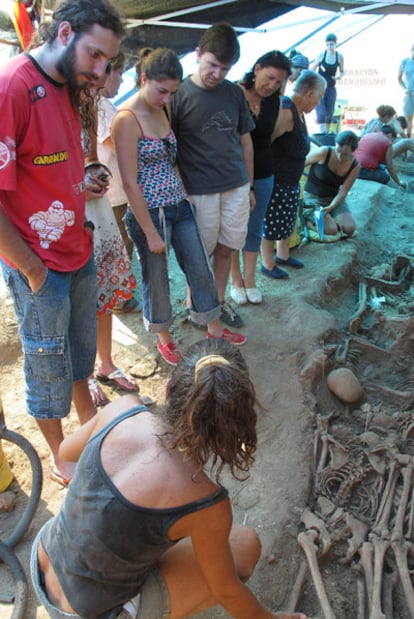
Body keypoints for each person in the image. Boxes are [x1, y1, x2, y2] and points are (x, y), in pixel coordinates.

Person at [30, 338, 306, 619]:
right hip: (85, 613)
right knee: (245, 546)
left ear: (168, 388)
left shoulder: (122, 408)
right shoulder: (206, 501)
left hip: (43, 557)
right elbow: (226, 590)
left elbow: (66, 452)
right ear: (232, 418)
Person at [0, 0, 124, 486]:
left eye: (107, 63)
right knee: (47, 363)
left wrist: (85, 178)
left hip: (77, 247)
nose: (100, 71)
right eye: (94, 56)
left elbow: (52, 164)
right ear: (65, 32)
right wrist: (31, 267)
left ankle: (87, 430)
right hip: (39, 262)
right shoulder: (13, 86)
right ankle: (59, 454)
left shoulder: (72, 90)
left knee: (78, 354)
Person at [112, 48, 246, 367]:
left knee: (199, 267)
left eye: (172, 92)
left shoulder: (163, 109)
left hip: (178, 204)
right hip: (151, 213)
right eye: (161, 90)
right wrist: (148, 232)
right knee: (156, 278)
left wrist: (184, 192)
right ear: (143, 79)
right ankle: (164, 339)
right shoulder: (126, 119)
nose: (167, 98)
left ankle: (213, 328)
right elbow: (129, 182)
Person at [171, 23, 256, 329]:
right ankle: (197, 306)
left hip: (235, 186)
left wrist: (248, 185)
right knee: (198, 255)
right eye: (212, 65)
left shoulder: (233, 92)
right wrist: (181, 190)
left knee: (226, 247)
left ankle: (217, 304)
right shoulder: (179, 93)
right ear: (197, 55)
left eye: (225, 68)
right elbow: (171, 148)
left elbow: (245, 141)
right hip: (198, 190)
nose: (217, 74)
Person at [82, 69, 138, 406]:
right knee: (80, 299)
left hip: (96, 207)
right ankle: (83, 375)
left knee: (102, 290)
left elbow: (91, 156)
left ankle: (105, 363)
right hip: (65, 213)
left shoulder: (89, 104)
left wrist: (94, 172)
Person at [229, 50, 291, 306]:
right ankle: (235, 280)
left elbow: (269, 136)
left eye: (279, 82)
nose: (272, 85)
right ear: (257, 68)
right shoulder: (232, 93)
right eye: (270, 77)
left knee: (255, 227)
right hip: (233, 173)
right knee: (233, 229)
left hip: (264, 172)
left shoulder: (275, 101)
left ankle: (250, 280)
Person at [260, 71, 326, 279]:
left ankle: (283, 255)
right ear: (308, 93)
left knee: (288, 220)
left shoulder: (299, 112)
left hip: (290, 180)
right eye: (319, 97)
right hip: (276, 180)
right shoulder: (287, 111)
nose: (319, 102)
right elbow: (265, 143)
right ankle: (267, 264)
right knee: (271, 224)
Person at [97, 51, 142, 315]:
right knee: (119, 247)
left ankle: (116, 297)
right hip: (113, 194)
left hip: (113, 192)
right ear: (107, 72)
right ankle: (118, 299)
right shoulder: (101, 107)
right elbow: (113, 143)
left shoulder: (103, 105)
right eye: (119, 74)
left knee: (119, 246)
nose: (121, 82)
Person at [302, 130, 360, 238]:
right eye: (337, 151)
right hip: (313, 197)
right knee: (332, 229)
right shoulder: (324, 152)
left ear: (353, 151)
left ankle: (327, 218)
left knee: (349, 228)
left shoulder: (355, 165)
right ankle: (303, 221)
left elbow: (344, 190)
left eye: (345, 154)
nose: (339, 156)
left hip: (333, 198)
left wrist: (332, 206)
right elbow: (299, 165)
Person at [310, 33, 344, 134]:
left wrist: (339, 76)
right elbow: (312, 68)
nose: (330, 47)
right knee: (321, 112)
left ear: (336, 44)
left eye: (332, 44)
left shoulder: (339, 56)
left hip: (331, 87)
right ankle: (322, 133)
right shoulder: (322, 54)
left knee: (330, 112)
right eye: (328, 44)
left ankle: (327, 133)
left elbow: (342, 71)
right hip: (319, 87)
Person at [398, 44, 414, 137]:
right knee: (408, 118)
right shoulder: (405, 62)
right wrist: (405, 89)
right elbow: (399, 78)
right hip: (409, 95)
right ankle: (407, 139)